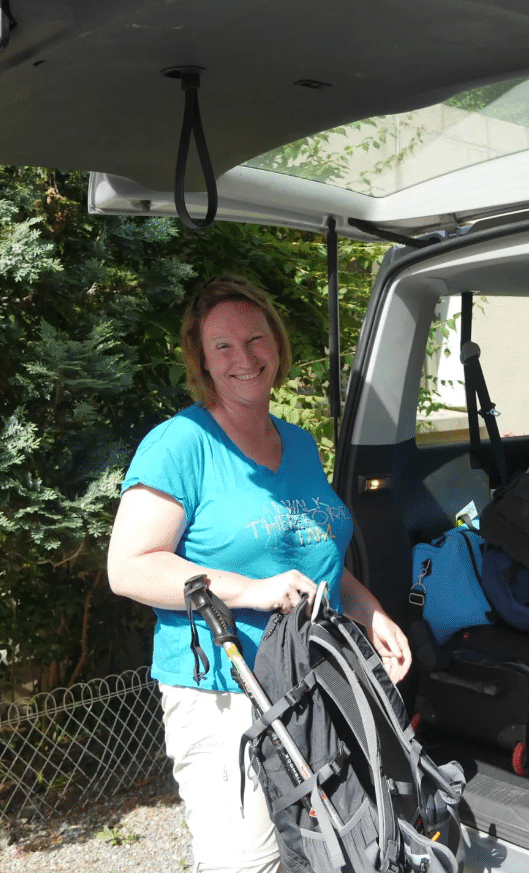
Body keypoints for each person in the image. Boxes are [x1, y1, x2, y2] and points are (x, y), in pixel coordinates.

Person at [107, 274, 411, 873]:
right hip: (226, 694)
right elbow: (129, 568)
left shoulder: (297, 443)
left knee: (330, 844)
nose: (244, 357)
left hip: (315, 681)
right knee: (248, 861)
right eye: (223, 346)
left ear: (276, 343)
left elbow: (318, 553)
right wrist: (250, 591)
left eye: (255, 338)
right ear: (200, 360)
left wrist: (367, 610)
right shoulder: (180, 444)